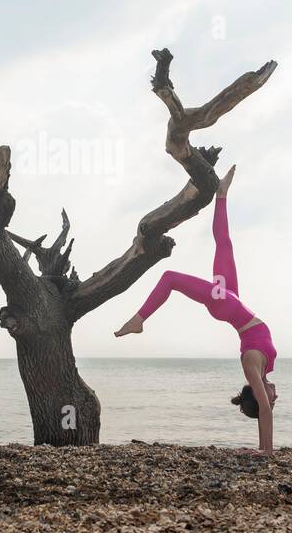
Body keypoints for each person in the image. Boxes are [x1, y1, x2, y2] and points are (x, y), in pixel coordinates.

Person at [114, 166, 278, 455]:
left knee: (171, 278)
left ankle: (139, 320)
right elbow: (263, 407)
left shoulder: (252, 367)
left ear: (257, 392)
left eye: (271, 398)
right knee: (224, 243)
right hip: (231, 302)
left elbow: (264, 410)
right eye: (273, 398)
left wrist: (265, 451)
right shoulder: (264, 368)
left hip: (225, 304)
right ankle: (221, 195)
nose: (276, 396)